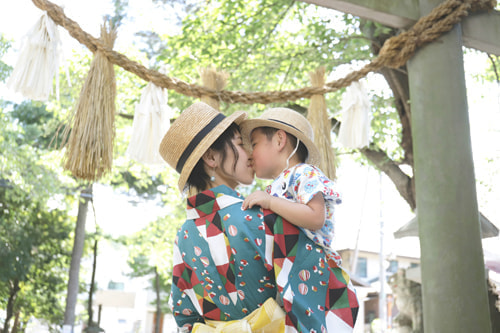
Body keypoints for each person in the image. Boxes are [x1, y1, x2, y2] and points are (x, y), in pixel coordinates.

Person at [159, 102, 358, 332]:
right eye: (240, 144)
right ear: (212, 157)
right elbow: (314, 295)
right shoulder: (265, 216)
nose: (250, 153)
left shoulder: (183, 236)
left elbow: (184, 314)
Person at [241, 107, 342, 267]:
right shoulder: (274, 188)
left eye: (254, 145)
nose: (250, 154)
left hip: (317, 268)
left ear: (279, 140)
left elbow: (316, 218)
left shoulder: (304, 173)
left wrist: (270, 202)